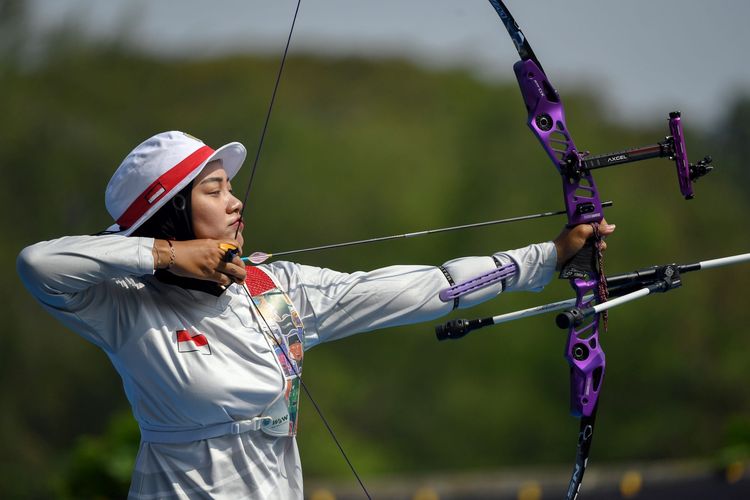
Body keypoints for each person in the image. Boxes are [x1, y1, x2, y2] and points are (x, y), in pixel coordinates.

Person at [17, 131, 615, 499]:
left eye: (231, 188)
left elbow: (432, 288)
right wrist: (170, 256)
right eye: (215, 190)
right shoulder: (123, 304)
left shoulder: (279, 289)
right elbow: (38, 264)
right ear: (170, 216)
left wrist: (551, 255)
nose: (236, 201)